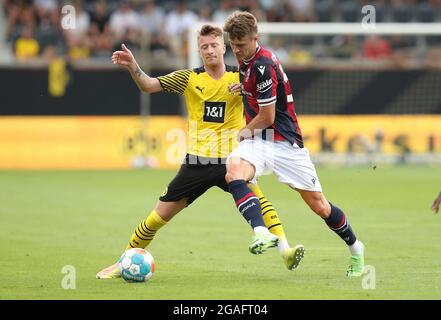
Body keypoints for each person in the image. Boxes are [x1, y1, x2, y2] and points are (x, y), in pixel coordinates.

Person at [96, 25, 304, 279]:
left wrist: (247, 92)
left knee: (261, 203)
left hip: (232, 161)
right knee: (157, 216)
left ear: (223, 47)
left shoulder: (241, 76)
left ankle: (285, 250)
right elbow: (148, 85)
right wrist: (133, 66)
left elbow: (266, 103)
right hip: (197, 162)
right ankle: (123, 261)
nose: (210, 50)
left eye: (214, 45)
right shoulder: (188, 78)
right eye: (204, 47)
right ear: (199, 51)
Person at [222, 11, 365, 277]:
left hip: (285, 141)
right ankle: (262, 233)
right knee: (234, 171)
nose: (236, 50)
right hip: (261, 141)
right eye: (232, 44)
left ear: (256, 38)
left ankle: (356, 248)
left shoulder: (263, 64)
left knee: (319, 206)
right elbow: (260, 93)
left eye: (240, 44)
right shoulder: (247, 60)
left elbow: (267, 116)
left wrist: (244, 130)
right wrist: (244, 90)